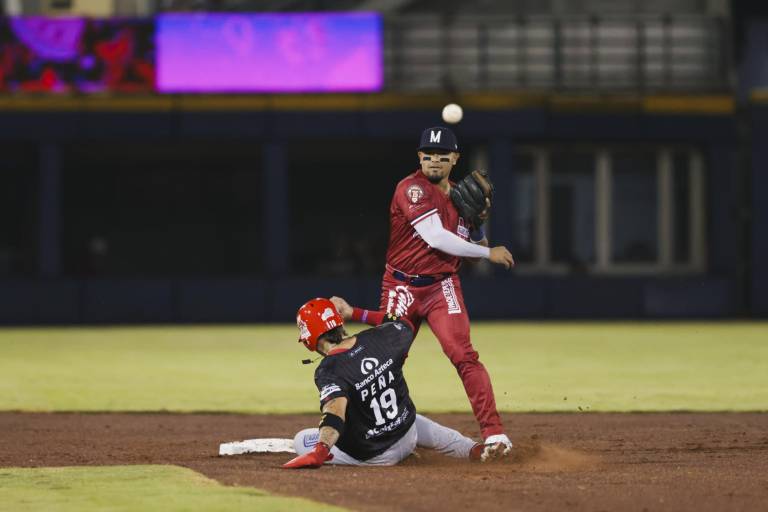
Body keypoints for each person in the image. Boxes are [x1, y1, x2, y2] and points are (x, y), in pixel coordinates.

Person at [367, 126, 515, 459]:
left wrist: (477, 228)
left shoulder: (462, 197)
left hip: (441, 285)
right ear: (420, 157)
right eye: (428, 155)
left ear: (455, 159)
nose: (434, 160)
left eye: (442, 155)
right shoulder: (411, 189)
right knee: (384, 364)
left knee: (463, 355)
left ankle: (495, 434)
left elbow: (470, 249)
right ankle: (381, 433)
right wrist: (487, 253)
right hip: (401, 286)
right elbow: (435, 237)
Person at [284, 297, 502, 469]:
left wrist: (320, 451)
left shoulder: (328, 369)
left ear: (309, 339)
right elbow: (402, 322)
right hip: (407, 434)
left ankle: (386, 454)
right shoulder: (380, 337)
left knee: (301, 439)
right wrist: (354, 312)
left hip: (374, 455)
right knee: (411, 418)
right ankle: (472, 449)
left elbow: (335, 412)